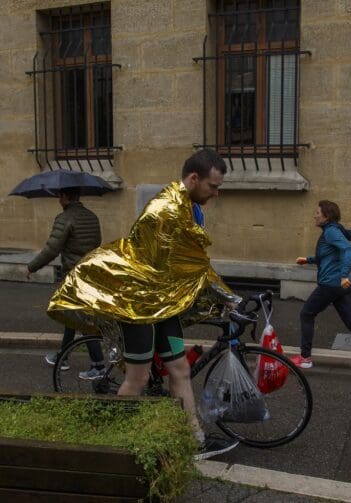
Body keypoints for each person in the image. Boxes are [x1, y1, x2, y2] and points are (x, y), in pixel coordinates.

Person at [46, 149, 240, 460]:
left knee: (180, 368)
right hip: (138, 310)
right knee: (137, 378)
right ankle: (115, 447)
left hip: (164, 309)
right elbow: (156, 265)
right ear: (194, 179)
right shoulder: (164, 210)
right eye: (213, 186)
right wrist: (219, 292)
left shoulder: (187, 207)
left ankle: (195, 440)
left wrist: (223, 295)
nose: (216, 193)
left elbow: (191, 262)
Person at [290, 200, 351, 384]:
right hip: (340, 287)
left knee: (306, 314)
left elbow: (349, 250)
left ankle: (305, 358)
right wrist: (308, 260)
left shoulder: (331, 232)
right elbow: (328, 255)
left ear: (326, 216)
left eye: (317, 212)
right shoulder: (332, 231)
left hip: (331, 285)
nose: (314, 215)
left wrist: (344, 274)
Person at [26, 187, 104, 377]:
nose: (57, 199)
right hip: (90, 272)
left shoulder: (64, 219)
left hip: (74, 275)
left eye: (59, 196)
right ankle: (64, 356)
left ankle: (99, 365)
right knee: (71, 316)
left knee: (83, 319)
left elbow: (52, 249)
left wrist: (31, 267)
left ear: (64, 197)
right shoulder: (92, 217)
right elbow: (97, 242)